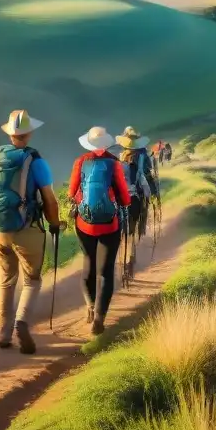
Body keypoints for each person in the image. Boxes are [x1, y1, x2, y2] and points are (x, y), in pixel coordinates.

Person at [0, 109, 63, 355]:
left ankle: (3, 335)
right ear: (29, 133)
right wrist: (54, 224)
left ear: (10, 134)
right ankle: (22, 322)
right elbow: (50, 201)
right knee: (32, 279)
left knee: (5, 279)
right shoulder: (35, 161)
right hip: (27, 229)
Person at [68, 126, 131, 335]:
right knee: (105, 272)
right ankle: (99, 319)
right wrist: (121, 202)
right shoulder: (114, 164)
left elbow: (71, 192)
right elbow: (124, 196)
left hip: (84, 224)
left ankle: (89, 306)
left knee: (88, 264)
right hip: (109, 224)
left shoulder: (80, 161)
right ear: (106, 144)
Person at [116, 126, 157, 277]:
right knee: (132, 231)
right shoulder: (142, 156)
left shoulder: (119, 159)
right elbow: (145, 181)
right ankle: (130, 259)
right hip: (135, 199)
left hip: (120, 201)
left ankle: (123, 259)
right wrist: (149, 196)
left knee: (122, 231)